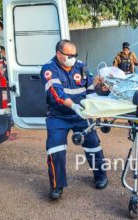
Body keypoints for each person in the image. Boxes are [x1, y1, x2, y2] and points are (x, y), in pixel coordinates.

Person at [40, 39, 108, 200]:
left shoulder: (81, 66)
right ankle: (57, 186)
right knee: (55, 149)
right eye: (69, 55)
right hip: (58, 115)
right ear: (58, 54)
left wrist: (100, 86)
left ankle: (101, 176)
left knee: (93, 145)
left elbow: (90, 89)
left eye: (74, 54)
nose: (73, 58)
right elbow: (56, 94)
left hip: (81, 114)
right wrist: (74, 106)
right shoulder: (49, 69)